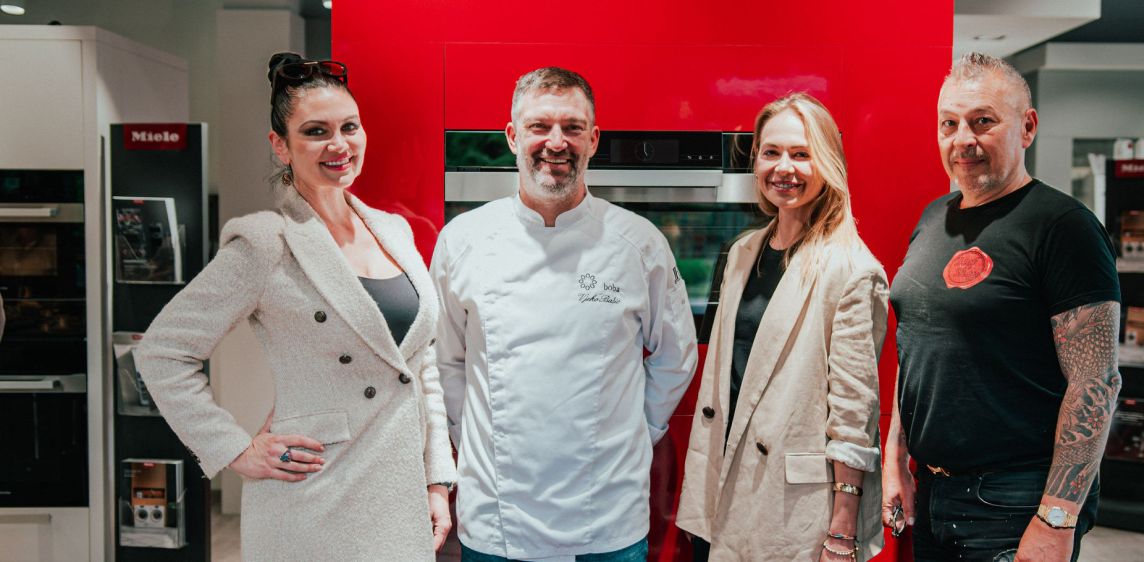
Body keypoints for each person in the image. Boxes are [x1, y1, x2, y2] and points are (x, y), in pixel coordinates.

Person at [134, 52, 457, 561]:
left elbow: (422, 368)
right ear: (280, 146)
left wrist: (437, 481)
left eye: (349, 127)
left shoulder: (394, 232)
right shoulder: (267, 242)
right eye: (315, 132)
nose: (339, 144)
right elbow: (162, 351)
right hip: (312, 498)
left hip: (398, 497)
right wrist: (235, 448)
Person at [429, 67, 698, 561]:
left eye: (572, 128)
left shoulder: (638, 243)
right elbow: (446, 361)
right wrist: (474, 444)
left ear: (592, 140)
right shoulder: (462, 240)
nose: (557, 142)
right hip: (496, 517)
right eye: (540, 126)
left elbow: (676, 356)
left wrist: (633, 435)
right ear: (513, 136)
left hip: (608, 516)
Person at [883, 52, 1122, 562]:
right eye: (949, 123)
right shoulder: (934, 218)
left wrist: (1057, 518)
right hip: (934, 493)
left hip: (1016, 501)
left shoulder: (1064, 228)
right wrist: (896, 457)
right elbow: (919, 348)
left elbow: (1095, 384)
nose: (962, 139)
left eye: (983, 121)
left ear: (1027, 127)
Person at [675, 93, 888, 561]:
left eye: (801, 154)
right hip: (720, 490)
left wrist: (842, 533)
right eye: (771, 152)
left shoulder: (852, 269)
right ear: (756, 160)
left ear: (826, 163)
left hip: (790, 508)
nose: (783, 168)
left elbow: (854, 418)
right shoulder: (743, 252)